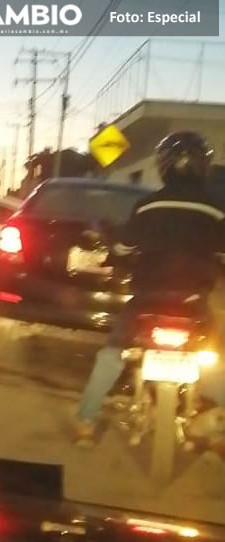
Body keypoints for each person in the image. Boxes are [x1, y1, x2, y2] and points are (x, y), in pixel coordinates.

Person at [75, 131, 225, 446]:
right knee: (214, 356)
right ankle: (212, 415)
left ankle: (86, 423)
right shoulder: (216, 210)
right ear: (203, 166)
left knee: (112, 353)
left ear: (163, 166)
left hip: (147, 301)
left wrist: (110, 239)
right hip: (193, 302)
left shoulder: (147, 206)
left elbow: (122, 245)